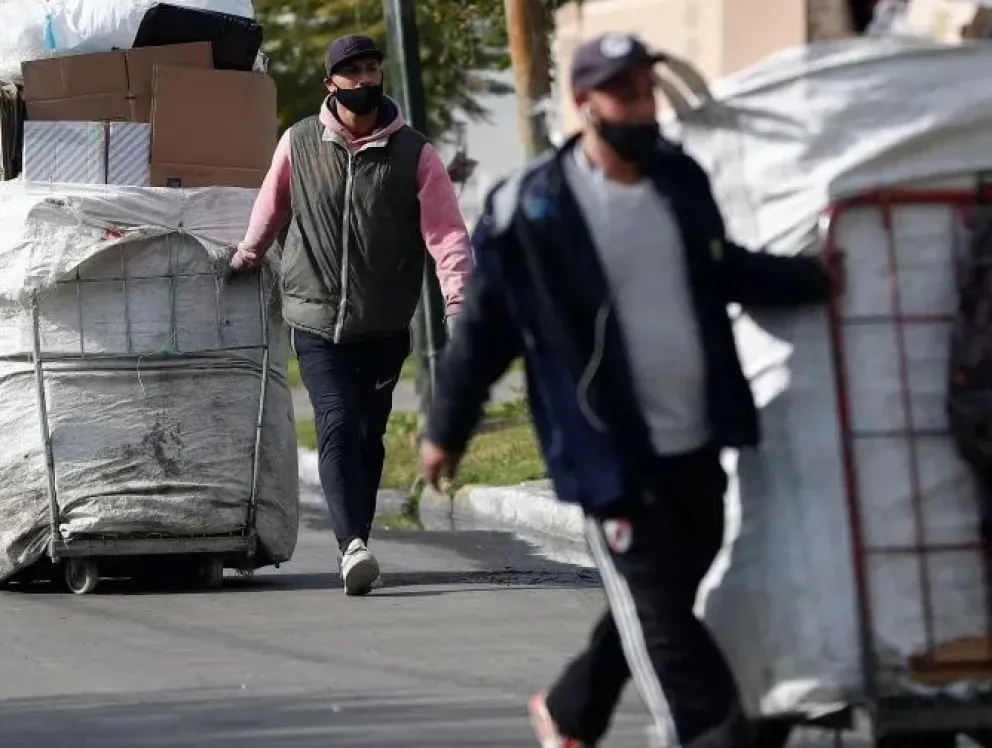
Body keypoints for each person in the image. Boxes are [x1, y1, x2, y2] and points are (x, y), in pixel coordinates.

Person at [419, 32, 842, 748]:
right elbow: (488, 326)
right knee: (680, 652)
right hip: (609, 456)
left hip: (697, 440)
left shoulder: (677, 178)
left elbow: (720, 267)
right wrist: (445, 427)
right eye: (625, 95)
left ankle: (571, 708)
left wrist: (815, 279)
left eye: (648, 93)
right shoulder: (535, 207)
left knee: (670, 594)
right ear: (585, 105)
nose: (643, 109)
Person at [232, 34, 472, 597]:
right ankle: (352, 548)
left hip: (384, 324)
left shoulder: (415, 154)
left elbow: (447, 237)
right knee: (337, 423)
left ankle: (357, 537)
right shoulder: (297, 144)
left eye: (371, 70)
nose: (365, 81)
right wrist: (245, 255)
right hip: (315, 320)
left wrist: (459, 303)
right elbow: (270, 207)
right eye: (353, 73)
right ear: (330, 85)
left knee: (368, 434)